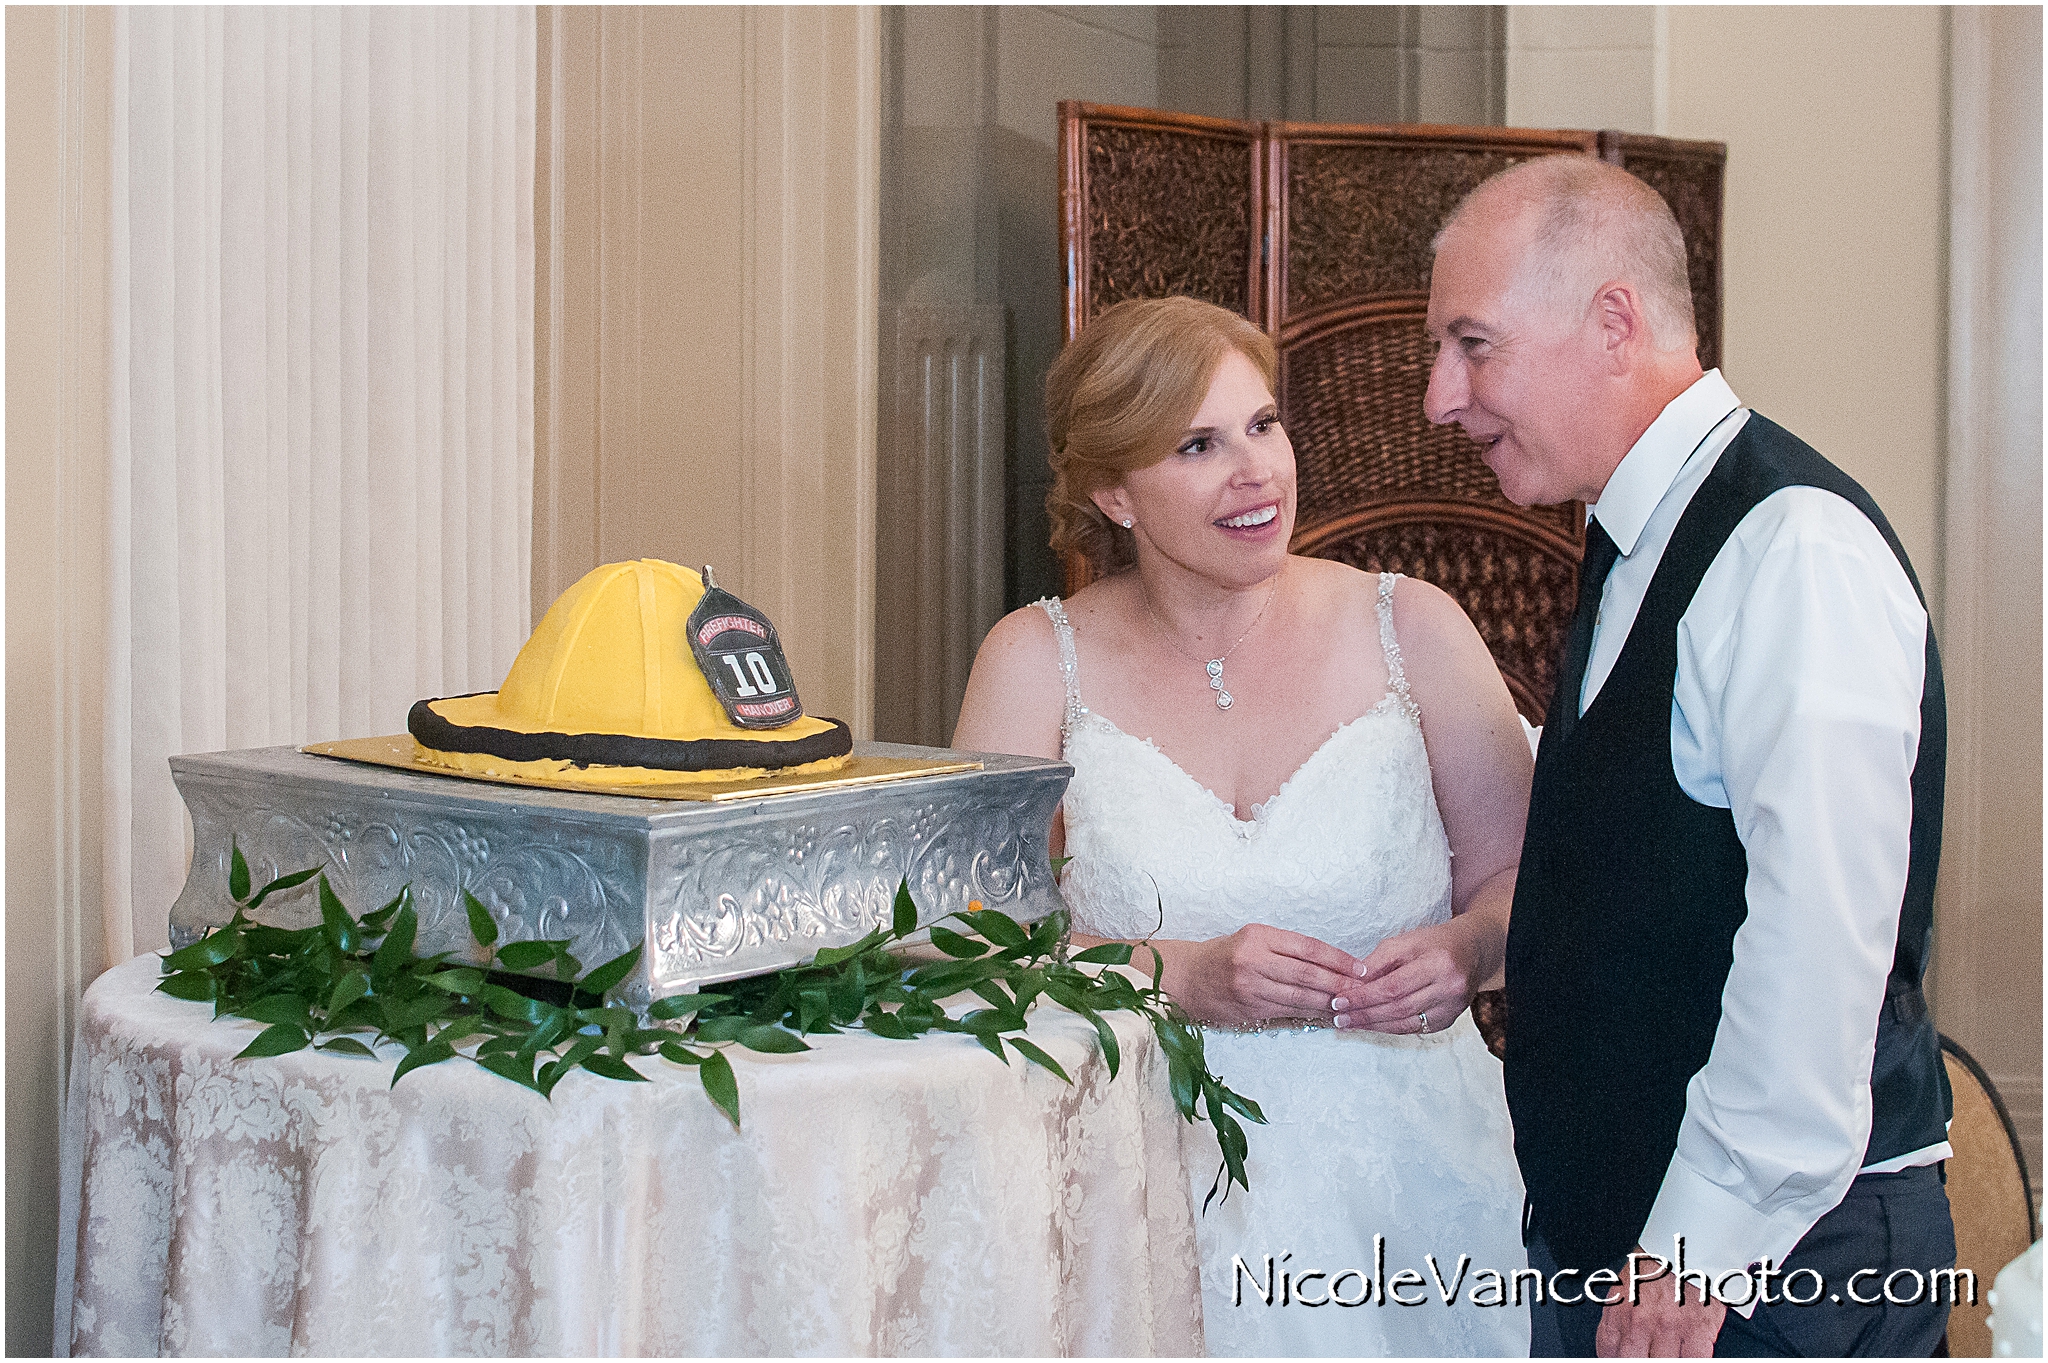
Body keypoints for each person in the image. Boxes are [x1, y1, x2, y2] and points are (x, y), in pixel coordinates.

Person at [1423, 155, 1955, 1357]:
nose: (1436, 398)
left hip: (1765, 1266)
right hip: (1632, 1243)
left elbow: (1817, 939)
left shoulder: (1790, 548)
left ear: (1613, 321)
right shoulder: (1631, 541)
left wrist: (1699, 1241)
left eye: (1471, 344)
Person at [953, 295, 1533, 1356]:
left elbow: (1521, 882)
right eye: (1198, 445)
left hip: (1408, 1186)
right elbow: (972, 947)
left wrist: (1464, 948)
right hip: (1140, 1178)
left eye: (1263, 425)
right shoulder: (1035, 662)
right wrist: (1172, 974)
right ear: (1113, 494)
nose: (1255, 470)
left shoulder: (1412, 629)